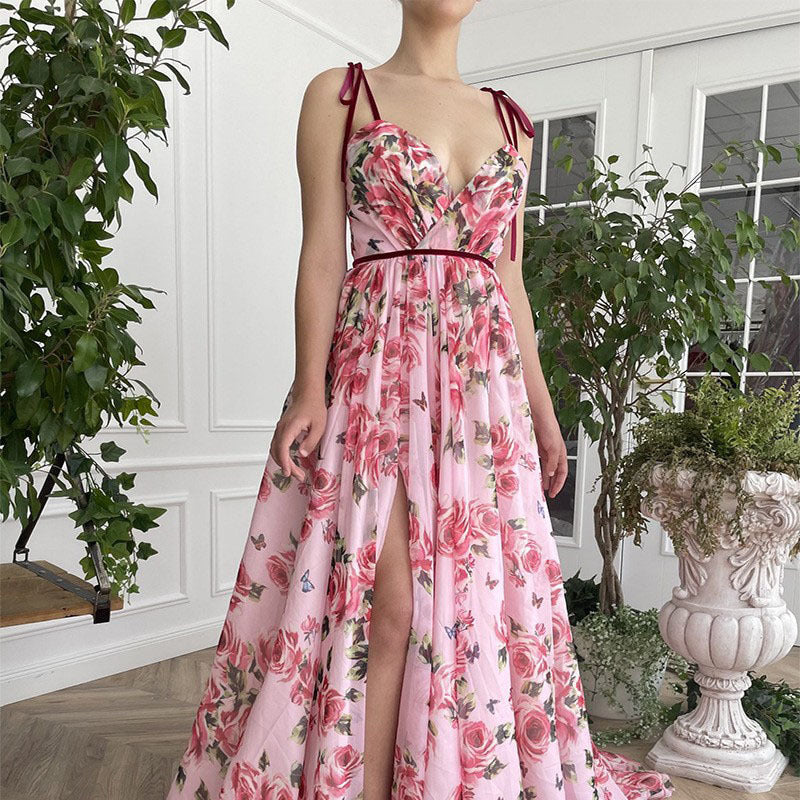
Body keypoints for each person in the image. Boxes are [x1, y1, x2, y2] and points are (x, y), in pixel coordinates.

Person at [166, 2, 675, 798]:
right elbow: (322, 254)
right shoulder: (343, 94)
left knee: (473, 611)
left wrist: (544, 413)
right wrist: (308, 383)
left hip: (482, 398)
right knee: (390, 604)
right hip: (376, 381)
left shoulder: (513, 122)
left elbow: (509, 282)